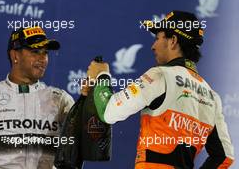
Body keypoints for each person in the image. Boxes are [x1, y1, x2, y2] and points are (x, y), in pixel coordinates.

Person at [86, 11, 235, 168]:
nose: (153, 46)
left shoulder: (160, 75)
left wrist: (101, 76)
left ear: (173, 41)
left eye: (157, 38)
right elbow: (224, 156)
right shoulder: (212, 96)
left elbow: (109, 113)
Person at [0, 26, 75, 169]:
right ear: (15, 56)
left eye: (45, 53)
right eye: (35, 52)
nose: (43, 59)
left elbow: (78, 149)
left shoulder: (61, 100)